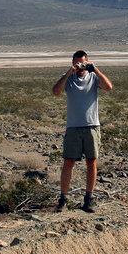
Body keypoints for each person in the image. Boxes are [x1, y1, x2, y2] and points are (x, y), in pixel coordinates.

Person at [51, 50, 113, 212]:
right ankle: (63, 199)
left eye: (83, 63)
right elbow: (56, 91)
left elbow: (108, 87)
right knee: (68, 162)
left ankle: (89, 198)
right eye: (77, 63)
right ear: (72, 62)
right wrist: (68, 73)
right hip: (73, 127)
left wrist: (96, 70)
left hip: (92, 125)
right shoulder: (68, 78)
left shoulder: (93, 77)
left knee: (91, 161)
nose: (80, 66)